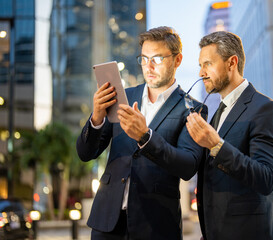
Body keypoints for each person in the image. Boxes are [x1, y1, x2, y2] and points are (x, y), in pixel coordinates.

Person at [77, 26, 207, 240]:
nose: (149, 66)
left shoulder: (193, 108)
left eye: (157, 58)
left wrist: (146, 137)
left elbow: (188, 166)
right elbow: (85, 153)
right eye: (144, 59)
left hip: (156, 225)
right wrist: (97, 118)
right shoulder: (122, 97)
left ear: (177, 60)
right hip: (107, 223)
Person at [186, 31, 273, 240]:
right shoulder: (216, 115)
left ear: (232, 63)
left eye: (207, 64)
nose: (201, 73)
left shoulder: (266, 109)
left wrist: (216, 146)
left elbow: (267, 178)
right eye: (200, 65)